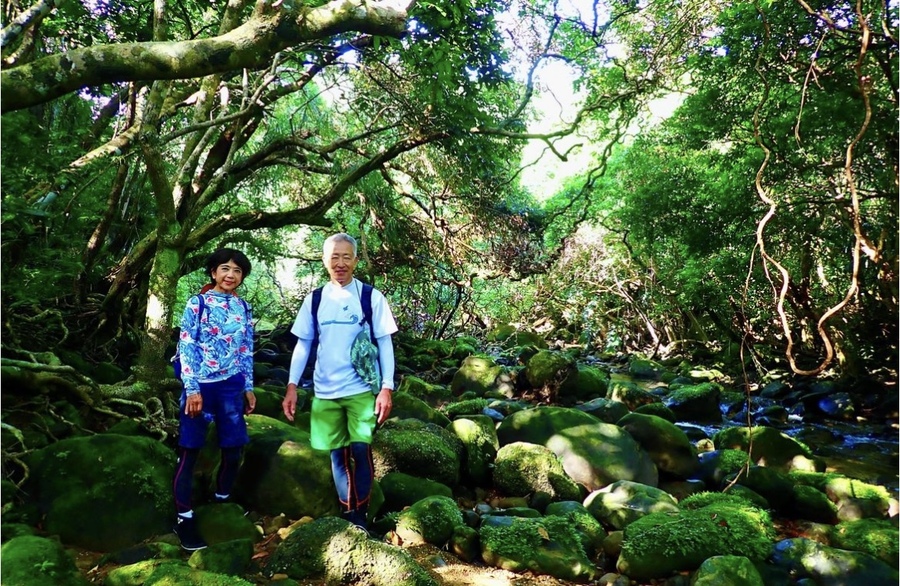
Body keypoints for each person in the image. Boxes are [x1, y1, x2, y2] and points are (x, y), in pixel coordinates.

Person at [282, 233, 397, 531]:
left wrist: (386, 387)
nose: (340, 263)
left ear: (356, 260)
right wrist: (292, 385)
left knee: (360, 450)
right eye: (334, 257)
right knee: (338, 455)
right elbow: (303, 345)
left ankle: (361, 515)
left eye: (346, 257)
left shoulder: (371, 297)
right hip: (325, 391)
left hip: (361, 390)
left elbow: (385, 343)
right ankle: (349, 514)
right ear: (324, 261)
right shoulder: (315, 299)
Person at [172, 248, 256, 551]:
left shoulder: (243, 307)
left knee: (233, 448)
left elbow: (246, 348)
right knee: (190, 451)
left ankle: (221, 500)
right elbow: (187, 345)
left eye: (236, 270)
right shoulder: (198, 303)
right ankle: (184, 516)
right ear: (213, 273)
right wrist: (192, 388)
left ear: (242, 276)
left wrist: (248, 386)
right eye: (224, 269)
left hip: (231, 385)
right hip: (201, 385)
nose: (230, 275)